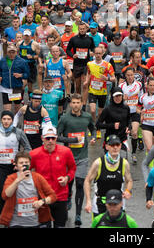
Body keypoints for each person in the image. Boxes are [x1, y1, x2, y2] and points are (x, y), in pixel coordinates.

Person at [57, 94, 96, 227]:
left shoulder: (87, 116)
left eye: (78, 102)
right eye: (73, 102)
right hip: (67, 158)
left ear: (81, 103)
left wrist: (93, 137)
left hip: (82, 157)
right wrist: (71, 140)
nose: (75, 105)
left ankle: (78, 215)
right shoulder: (64, 118)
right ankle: (68, 197)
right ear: (70, 104)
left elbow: (93, 128)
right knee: (69, 183)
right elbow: (57, 137)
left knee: (80, 184)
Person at [30, 125, 76, 228]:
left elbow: (73, 168)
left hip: (60, 197)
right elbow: (26, 171)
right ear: (42, 138)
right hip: (43, 198)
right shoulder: (34, 154)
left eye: (53, 138)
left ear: (56, 138)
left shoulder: (66, 152)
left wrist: (67, 178)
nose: (50, 141)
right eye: (47, 138)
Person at [0, 151, 57, 228]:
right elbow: (5, 195)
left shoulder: (37, 177)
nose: (24, 164)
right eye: (21, 163)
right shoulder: (11, 178)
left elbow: (53, 196)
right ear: (16, 165)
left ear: (30, 164)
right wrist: (18, 180)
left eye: (26, 162)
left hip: (35, 222)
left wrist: (42, 201)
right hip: (16, 223)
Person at [84, 135, 132, 218]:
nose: (115, 148)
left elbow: (129, 180)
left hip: (118, 204)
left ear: (120, 146)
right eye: (112, 145)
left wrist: (128, 190)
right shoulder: (98, 163)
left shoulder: (124, 163)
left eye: (117, 145)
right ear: (107, 147)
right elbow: (87, 181)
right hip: (100, 204)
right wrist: (88, 201)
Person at [0, 110, 31, 213]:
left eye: (9, 119)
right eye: (4, 119)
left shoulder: (18, 132)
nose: (6, 121)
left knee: (15, 191)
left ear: (12, 120)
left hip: (13, 167)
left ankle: (13, 213)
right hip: (1, 167)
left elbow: (28, 148)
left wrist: (20, 163)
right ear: (1, 120)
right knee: (2, 191)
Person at [83, 44, 115, 127]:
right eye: (96, 53)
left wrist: (107, 79)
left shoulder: (107, 65)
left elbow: (114, 78)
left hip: (102, 92)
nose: (97, 55)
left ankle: (98, 125)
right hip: (92, 90)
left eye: (99, 53)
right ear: (93, 54)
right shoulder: (90, 64)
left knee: (100, 112)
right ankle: (93, 124)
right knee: (93, 110)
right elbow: (89, 73)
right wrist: (86, 81)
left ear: (102, 53)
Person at [96, 87, 131, 156]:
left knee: (122, 162)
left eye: (119, 96)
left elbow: (129, 119)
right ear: (112, 97)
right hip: (110, 139)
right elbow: (98, 124)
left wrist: (129, 127)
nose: (118, 98)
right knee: (110, 164)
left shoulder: (126, 108)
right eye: (116, 96)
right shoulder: (107, 109)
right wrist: (112, 125)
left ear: (122, 96)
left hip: (122, 139)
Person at [120, 67, 143, 164]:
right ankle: (124, 154)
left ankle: (133, 153)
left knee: (134, 132)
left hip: (134, 113)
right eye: (128, 75)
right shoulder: (121, 86)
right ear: (125, 76)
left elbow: (142, 98)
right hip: (125, 113)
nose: (130, 77)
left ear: (134, 75)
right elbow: (116, 100)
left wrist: (140, 108)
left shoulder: (139, 85)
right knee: (124, 134)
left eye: (132, 75)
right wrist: (123, 99)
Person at [66, 22, 95, 94]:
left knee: (85, 84)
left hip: (86, 64)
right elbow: (68, 50)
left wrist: (92, 52)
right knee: (78, 85)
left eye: (83, 29)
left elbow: (93, 48)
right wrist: (72, 55)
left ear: (86, 29)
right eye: (80, 29)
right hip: (77, 64)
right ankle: (79, 99)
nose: (82, 30)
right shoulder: (73, 39)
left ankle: (84, 102)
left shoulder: (90, 39)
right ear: (78, 29)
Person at [0, 43, 30, 113]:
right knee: (7, 110)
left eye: (13, 52)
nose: (11, 54)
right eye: (9, 52)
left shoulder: (22, 61)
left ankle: (15, 123)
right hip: (5, 88)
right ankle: (9, 123)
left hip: (16, 88)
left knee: (17, 108)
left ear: (16, 52)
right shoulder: (2, 61)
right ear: (7, 52)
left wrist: (21, 75)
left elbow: (27, 74)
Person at [139, 77, 154, 154]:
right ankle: (149, 166)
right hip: (146, 124)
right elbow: (137, 108)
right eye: (150, 85)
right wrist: (141, 112)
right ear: (147, 86)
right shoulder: (142, 97)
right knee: (149, 148)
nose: (152, 87)